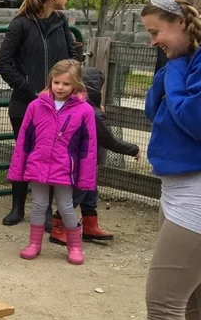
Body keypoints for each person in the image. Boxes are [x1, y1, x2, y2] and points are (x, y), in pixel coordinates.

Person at [97, 0, 201, 320]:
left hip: (197, 196)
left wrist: (176, 68)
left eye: (157, 32)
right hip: (181, 189)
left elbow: (192, 120)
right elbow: (157, 110)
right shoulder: (183, 63)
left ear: (183, 22)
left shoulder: (190, 65)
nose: (152, 41)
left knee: (163, 300)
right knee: (193, 299)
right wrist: (172, 69)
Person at [0, 0, 78, 228]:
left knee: (54, 154)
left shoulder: (61, 22)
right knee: (24, 153)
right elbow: (4, 62)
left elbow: (73, 57)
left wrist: (69, 86)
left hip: (58, 107)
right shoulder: (20, 24)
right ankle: (18, 206)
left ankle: (43, 209)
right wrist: (29, 89)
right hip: (26, 105)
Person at [7, 59, 97, 264]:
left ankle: (74, 245)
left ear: (76, 84)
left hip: (65, 167)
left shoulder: (84, 111)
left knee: (65, 205)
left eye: (66, 84)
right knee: (38, 204)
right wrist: (19, 167)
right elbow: (24, 139)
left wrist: (85, 177)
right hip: (38, 163)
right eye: (56, 82)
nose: (60, 87)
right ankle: (34, 243)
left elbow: (88, 147)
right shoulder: (35, 106)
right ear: (50, 81)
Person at [49, 65, 139, 246]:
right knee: (78, 193)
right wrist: (133, 149)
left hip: (87, 160)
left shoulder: (76, 105)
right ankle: (58, 226)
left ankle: (90, 225)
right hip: (84, 162)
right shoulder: (93, 112)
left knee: (90, 193)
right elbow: (109, 140)